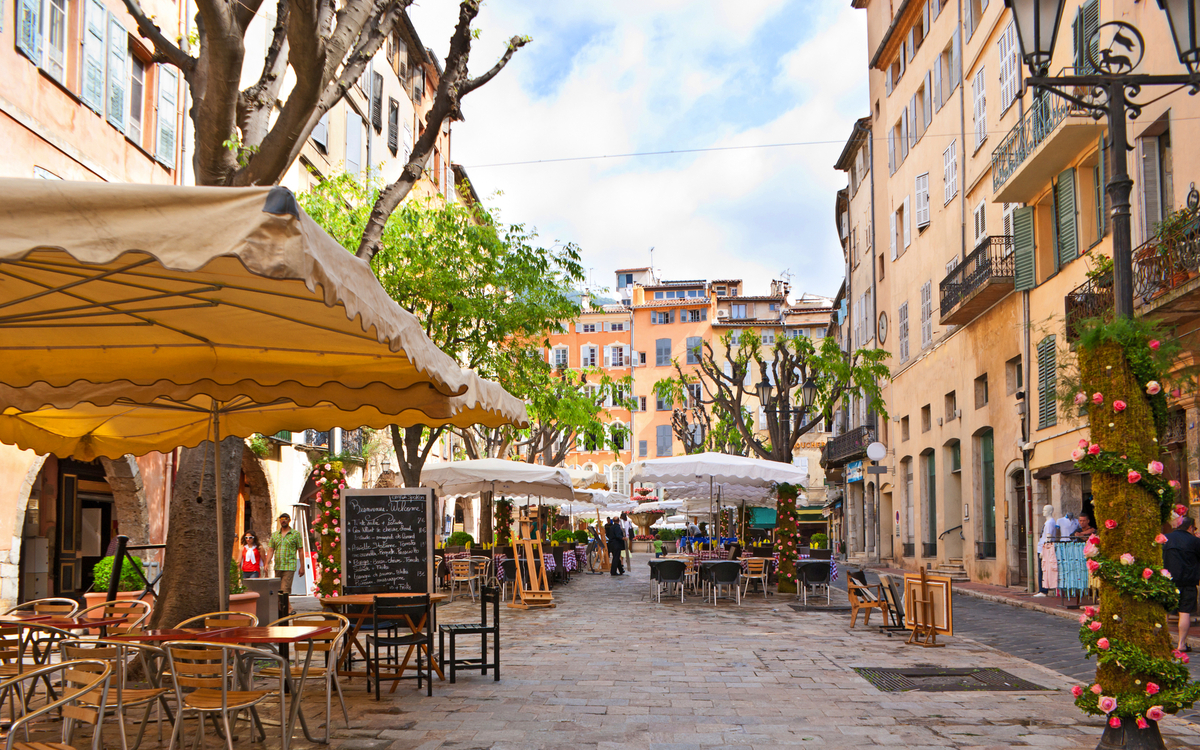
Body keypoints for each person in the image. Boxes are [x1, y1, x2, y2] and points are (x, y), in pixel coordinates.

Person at [1165, 516, 1200, 652]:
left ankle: (1162, 640)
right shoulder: (1194, 541)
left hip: (1168, 580)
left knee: (1165, 612)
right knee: (1184, 612)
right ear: (1190, 527)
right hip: (1188, 580)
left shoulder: (1165, 538)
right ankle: (1181, 644)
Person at [267, 513, 305, 596]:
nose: (283, 520)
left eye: (285, 518)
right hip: (278, 566)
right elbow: (271, 550)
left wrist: (302, 567)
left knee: (284, 590)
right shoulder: (275, 535)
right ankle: (288, 608)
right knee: (278, 590)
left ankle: (287, 609)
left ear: (289, 520)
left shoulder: (295, 534)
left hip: (289, 566)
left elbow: (300, 550)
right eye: (281, 519)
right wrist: (267, 563)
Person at [1034, 504, 1057, 597]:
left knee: (1043, 569)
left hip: (1044, 548)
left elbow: (1048, 536)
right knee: (1042, 569)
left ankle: (1043, 590)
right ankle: (1042, 589)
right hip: (1042, 547)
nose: (1043, 512)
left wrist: (1045, 551)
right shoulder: (1048, 522)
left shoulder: (1050, 523)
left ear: (1050, 511)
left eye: (1045, 510)